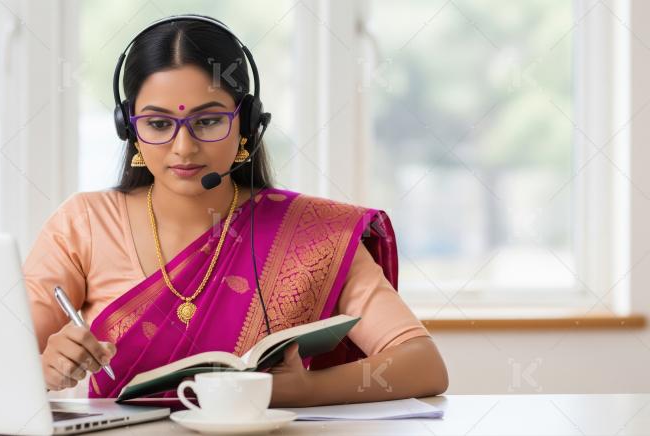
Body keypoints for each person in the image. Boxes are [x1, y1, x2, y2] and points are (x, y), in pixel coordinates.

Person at [23, 15, 448, 407]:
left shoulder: (313, 233)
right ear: (128, 128)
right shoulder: (83, 225)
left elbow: (422, 363)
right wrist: (44, 369)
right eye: (157, 124)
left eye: (207, 122)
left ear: (246, 124)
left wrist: (305, 390)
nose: (183, 148)